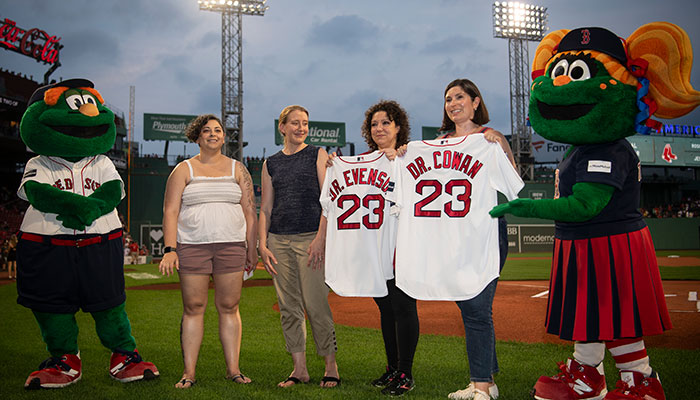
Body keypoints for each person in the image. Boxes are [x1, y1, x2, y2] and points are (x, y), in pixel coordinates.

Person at [159, 114, 258, 389]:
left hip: (231, 246)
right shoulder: (183, 170)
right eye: (206, 130)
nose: (213, 134)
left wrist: (253, 248)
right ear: (197, 136)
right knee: (194, 307)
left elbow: (250, 211)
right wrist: (170, 249)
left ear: (224, 137)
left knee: (229, 306)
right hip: (192, 245)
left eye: (218, 130)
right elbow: (170, 210)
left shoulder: (238, 169)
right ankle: (188, 372)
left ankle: (233, 369)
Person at [440, 78, 518, 400]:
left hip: (486, 232)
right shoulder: (440, 143)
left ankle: (481, 387)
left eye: (459, 96)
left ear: (475, 102)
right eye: (447, 99)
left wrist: (499, 146)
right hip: (453, 237)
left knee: (477, 309)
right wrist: (402, 153)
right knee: (471, 308)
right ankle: (486, 381)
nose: (453, 103)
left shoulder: (489, 138)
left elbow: (513, 181)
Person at [258, 105, 340, 388]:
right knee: (288, 307)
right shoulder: (271, 163)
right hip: (278, 241)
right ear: (282, 127)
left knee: (316, 305)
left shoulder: (316, 153)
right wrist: (262, 243)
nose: (301, 128)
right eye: (295, 123)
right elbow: (265, 208)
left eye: (305, 123)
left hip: (309, 239)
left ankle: (331, 366)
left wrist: (321, 238)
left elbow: (327, 199)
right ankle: (299, 369)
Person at [360, 101, 420, 396]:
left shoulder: (410, 157)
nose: (379, 128)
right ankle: (393, 367)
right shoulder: (364, 161)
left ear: (398, 127)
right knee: (385, 308)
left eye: (386, 122)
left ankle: (406, 373)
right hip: (377, 244)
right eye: (374, 124)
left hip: (403, 242)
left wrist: (399, 158)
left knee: (403, 306)